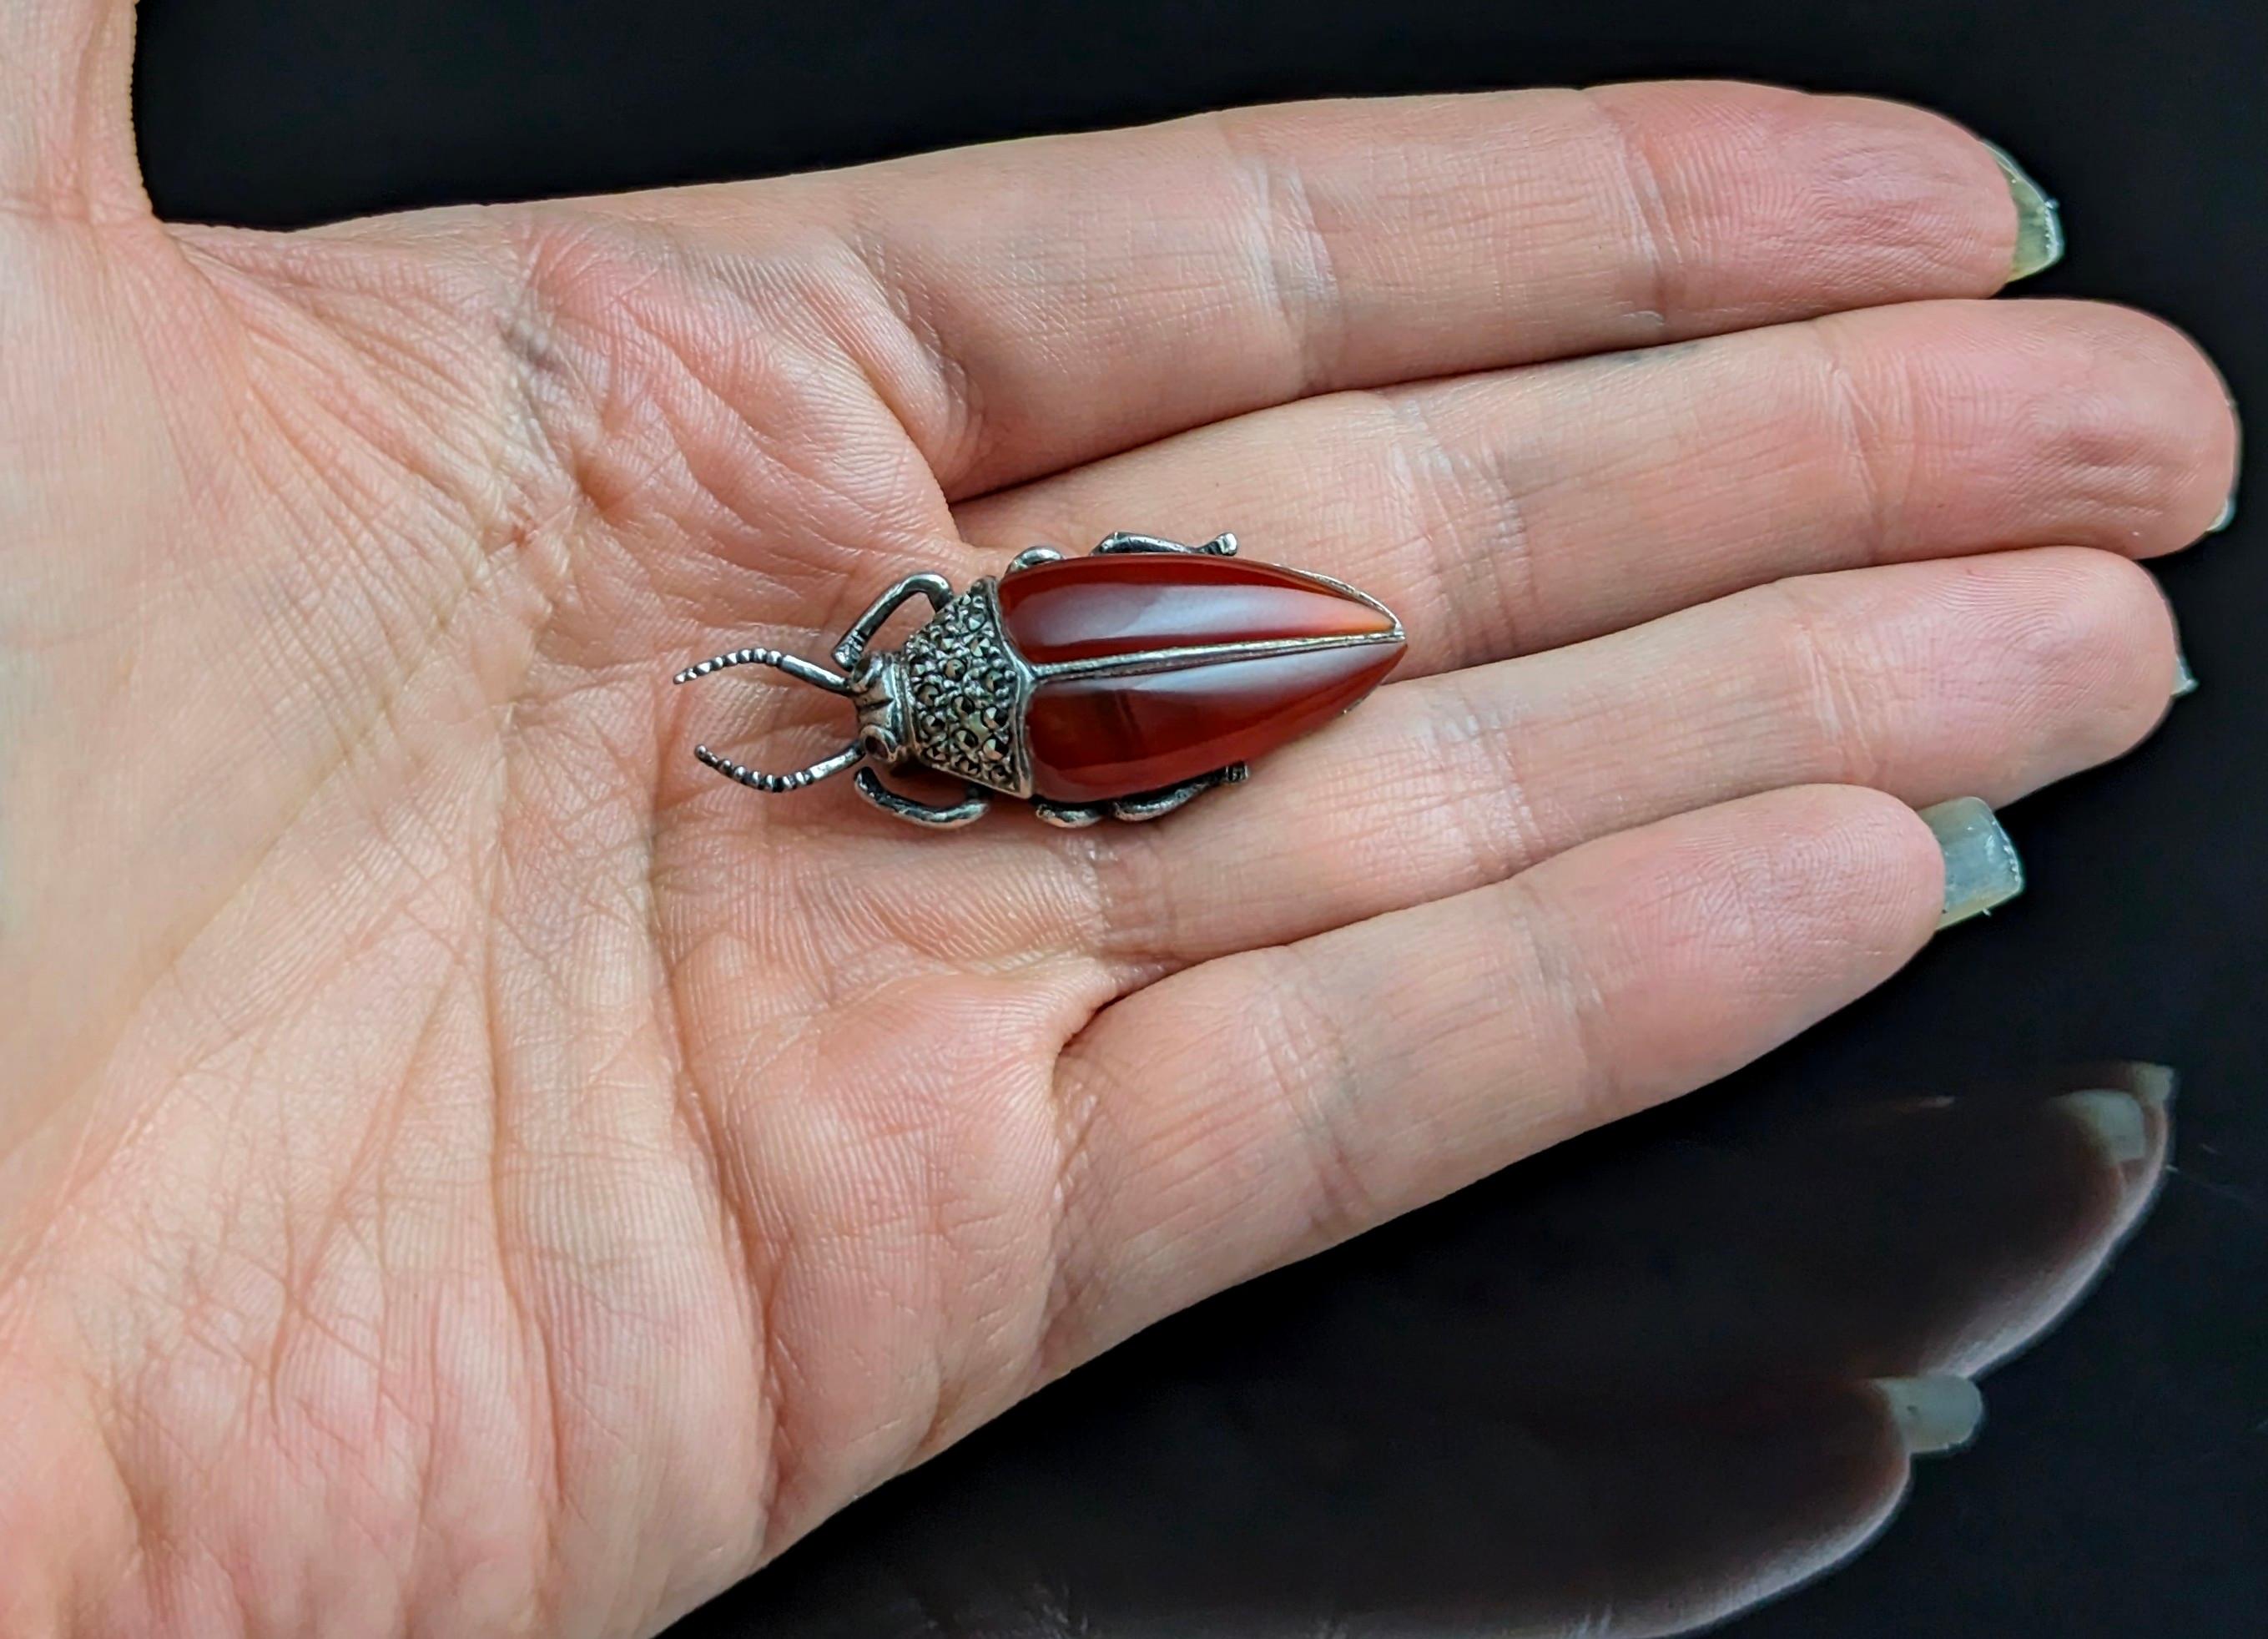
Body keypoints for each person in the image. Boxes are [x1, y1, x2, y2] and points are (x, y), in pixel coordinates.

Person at [0, 6, 2235, 1631]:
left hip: (1187, 675)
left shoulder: (974, 718)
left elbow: (1023, 688)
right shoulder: (977, 707)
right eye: (874, 717)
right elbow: (1012, 678)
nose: (875, 702)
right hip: (1161, 683)